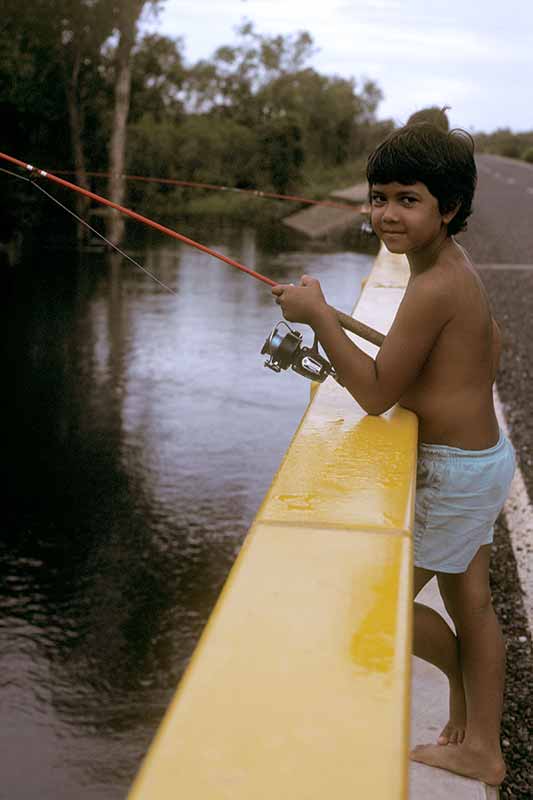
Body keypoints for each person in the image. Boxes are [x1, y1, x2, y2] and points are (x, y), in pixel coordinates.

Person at [271, 122, 515, 787]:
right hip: (478, 460)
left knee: (368, 606)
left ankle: (474, 735)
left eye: (407, 199)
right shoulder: (444, 272)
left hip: (454, 474)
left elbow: (377, 394)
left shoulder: (433, 285)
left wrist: (319, 315)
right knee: (471, 602)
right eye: (378, 197)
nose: (385, 213)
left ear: (449, 209)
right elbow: (480, 349)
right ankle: (478, 738)